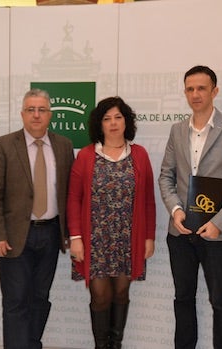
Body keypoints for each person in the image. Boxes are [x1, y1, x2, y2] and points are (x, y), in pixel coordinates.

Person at [158, 65, 222, 349]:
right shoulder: (177, 131)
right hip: (181, 233)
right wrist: (175, 210)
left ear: (215, 91)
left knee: (220, 301)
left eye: (201, 88)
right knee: (183, 298)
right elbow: (166, 176)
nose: (195, 94)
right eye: (190, 89)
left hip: (217, 235)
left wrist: (218, 222)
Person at [0, 88, 75, 349]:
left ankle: (31, 344)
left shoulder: (64, 146)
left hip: (51, 234)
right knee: (15, 301)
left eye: (42, 110)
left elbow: (69, 192)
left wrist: (70, 233)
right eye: (31, 110)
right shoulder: (2, 145)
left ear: (50, 115)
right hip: (14, 237)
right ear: (22, 114)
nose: (36, 115)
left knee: (40, 298)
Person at [66, 96, 156, 349]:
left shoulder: (139, 155)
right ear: (99, 124)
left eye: (118, 117)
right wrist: (76, 238)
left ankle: (116, 344)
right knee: (101, 295)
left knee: (121, 293)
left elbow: (148, 199)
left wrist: (149, 237)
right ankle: (101, 346)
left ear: (126, 121)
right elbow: (73, 199)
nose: (113, 123)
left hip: (128, 238)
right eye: (107, 119)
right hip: (95, 240)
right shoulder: (85, 156)